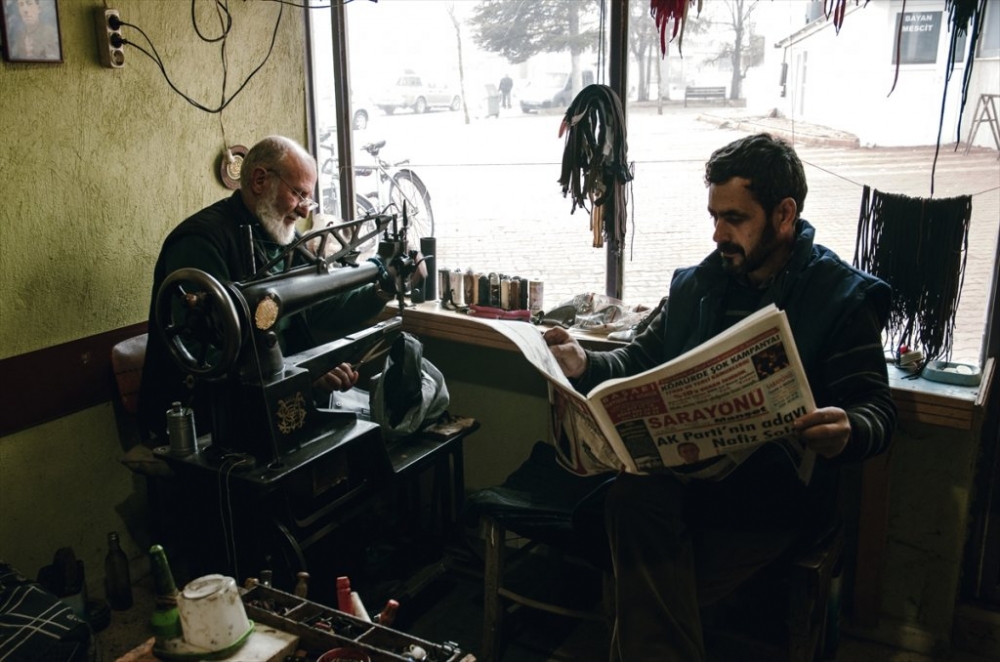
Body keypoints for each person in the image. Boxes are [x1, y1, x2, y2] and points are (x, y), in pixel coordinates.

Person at [543, 133, 896, 661]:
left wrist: (848, 428)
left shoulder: (838, 296)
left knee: (635, 546)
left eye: (734, 219)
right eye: (714, 216)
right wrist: (584, 363)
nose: (718, 235)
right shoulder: (697, 285)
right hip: (686, 484)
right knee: (631, 501)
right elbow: (639, 361)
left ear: (784, 214)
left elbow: (878, 409)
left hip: (773, 496)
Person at [138, 135, 406, 442]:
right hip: (201, 421)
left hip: (267, 404)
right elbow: (210, 354)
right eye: (298, 195)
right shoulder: (199, 243)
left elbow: (321, 306)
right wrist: (304, 378)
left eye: (309, 199)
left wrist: (382, 289)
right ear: (260, 180)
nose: (305, 212)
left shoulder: (280, 238)